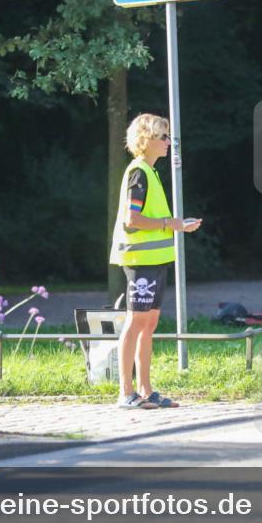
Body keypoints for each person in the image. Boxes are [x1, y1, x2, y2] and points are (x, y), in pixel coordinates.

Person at [110, 113, 201, 409]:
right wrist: (170, 223)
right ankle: (126, 393)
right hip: (140, 261)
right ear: (145, 140)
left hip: (155, 260)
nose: (168, 142)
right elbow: (132, 219)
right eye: (163, 137)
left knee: (148, 324)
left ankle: (146, 390)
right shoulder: (138, 172)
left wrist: (177, 225)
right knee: (136, 322)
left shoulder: (151, 172)